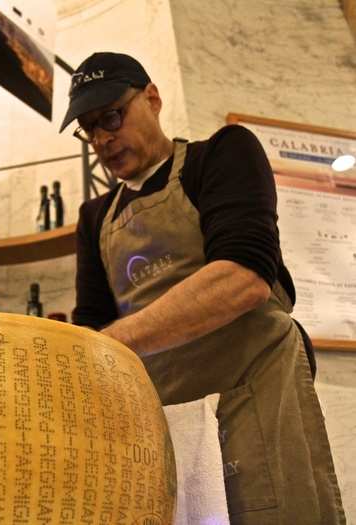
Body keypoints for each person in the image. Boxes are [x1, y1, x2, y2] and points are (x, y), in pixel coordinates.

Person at [62, 52, 345, 524]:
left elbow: (243, 277)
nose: (103, 138)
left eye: (111, 116)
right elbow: (89, 329)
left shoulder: (221, 155)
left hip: (251, 397)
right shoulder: (95, 218)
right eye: (89, 129)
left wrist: (110, 342)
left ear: (152, 98)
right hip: (156, 419)